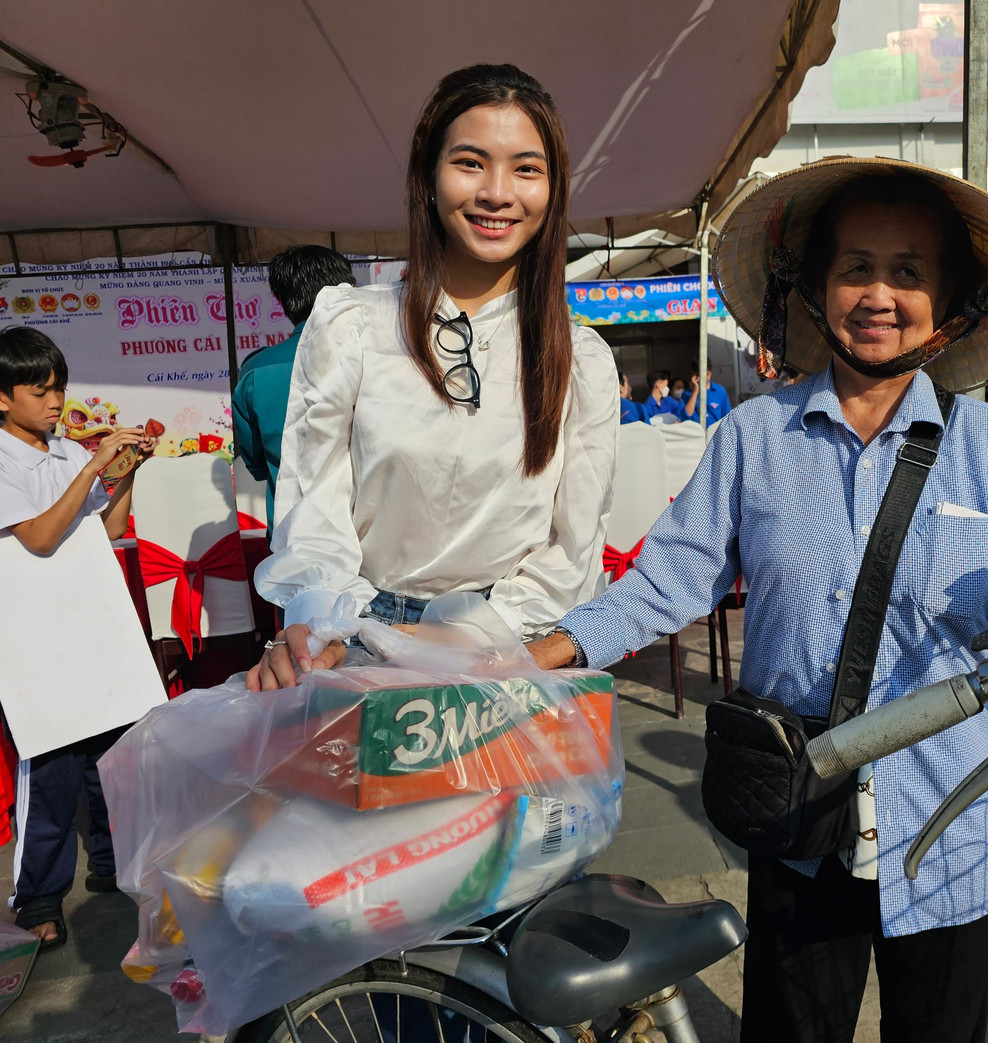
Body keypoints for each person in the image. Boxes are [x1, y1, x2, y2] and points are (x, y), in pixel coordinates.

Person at [528, 158, 988, 1043]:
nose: (879, 293)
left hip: (951, 818)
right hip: (797, 816)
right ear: (816, 287)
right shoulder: (754, 437)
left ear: (950, 303)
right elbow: (663, 583)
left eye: (909, 272)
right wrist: (532, 656)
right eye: (856, 266)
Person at [248, 64, 619, 690]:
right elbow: (315, 507)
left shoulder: (579, 360)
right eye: (470, 162)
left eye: (527, 169)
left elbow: (572, 553)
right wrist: (316, 621)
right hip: (357, 642)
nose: (498, 192)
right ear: (428, 176)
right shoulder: (352, 328)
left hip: (508, 655)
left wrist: (457, 638)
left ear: (552, 190)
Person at [0, 327, 156, 951]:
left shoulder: (65, 452)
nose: (55, 401)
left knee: (114, 753)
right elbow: (37, 538)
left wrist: (125, 474)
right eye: (39, 391)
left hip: (91, 625)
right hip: (33, 637)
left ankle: (112, 866)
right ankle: (38, 896)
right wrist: (94, 463)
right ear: (3, 399)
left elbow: (109, 528)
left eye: (59, 388)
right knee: (54, 766)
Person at [232, 245, 355, 533]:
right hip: (371, 541)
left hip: (293, 538)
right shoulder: (376, 355)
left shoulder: (256, 371)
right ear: (347, 289)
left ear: (282, 300)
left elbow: (258, 467)